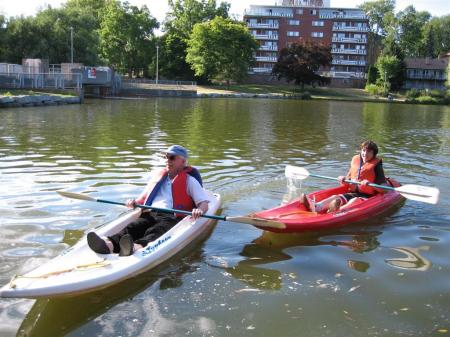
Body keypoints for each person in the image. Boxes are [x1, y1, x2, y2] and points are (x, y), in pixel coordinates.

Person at [87, 145, 209, 256]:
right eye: (166, 157)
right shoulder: (158, 177)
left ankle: (135, 247)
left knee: (156, 231)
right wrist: (133, 202)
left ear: (183, 161)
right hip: (150, 213)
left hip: (172, 216)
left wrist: (199, 210)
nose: (167, 160)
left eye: (172, 157)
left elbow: (203, 203)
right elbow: (142, 199)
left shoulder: (190, 181)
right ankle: (109, 245)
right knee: (133, 227)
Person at [301, 140, 387, 213]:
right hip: (353, 193)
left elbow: (384, 189)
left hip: (368, 197)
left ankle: (338, 211)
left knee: (355, 200)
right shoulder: (356, 161)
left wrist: (370, 183)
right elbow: (347, 184)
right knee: (336, 197)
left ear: (374, 154)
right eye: (363, 150)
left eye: (369, 151)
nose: (365, 153)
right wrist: (343, 180)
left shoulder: (377, 166)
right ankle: (317, 206)